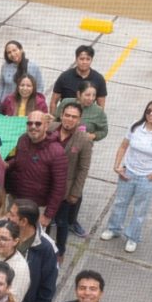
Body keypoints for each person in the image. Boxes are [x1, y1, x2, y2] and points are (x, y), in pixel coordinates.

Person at [101, 100, 152, 253]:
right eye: (148, 111)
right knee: (120, 202)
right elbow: (123, 146)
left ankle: (132, 237)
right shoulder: (135, 127)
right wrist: (117, 166)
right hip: (128, 172)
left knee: (140, 210)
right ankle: (114, 228)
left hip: (147, 178)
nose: (151, 114)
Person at [5, 111, 67, 228]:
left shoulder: (57, 151)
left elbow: (59, 187)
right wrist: (7, 165)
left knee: (31, 242)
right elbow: (19, 160)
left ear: (46, 126)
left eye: (38, 124)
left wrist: (48, 215)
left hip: (37, 207)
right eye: (30, 123)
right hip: (15, 200)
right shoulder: (22, 139)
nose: (33, 127)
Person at [51, 102, 94, 254]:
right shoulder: (50, 129)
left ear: (79, 119)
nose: (69, 119)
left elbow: (83, 169)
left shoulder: (84, 140)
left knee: (62, 222)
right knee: (45, 220)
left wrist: (75, 192)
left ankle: (60, 250)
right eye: (67, 115)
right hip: (45, 185)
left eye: (74, 117)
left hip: (65, 190)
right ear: (61, 115)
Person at [50, 45, 107, 111]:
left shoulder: (99, 79)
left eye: (88, 59)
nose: (84, 62)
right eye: (82, 59)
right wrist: (54, 119)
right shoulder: (64, 77)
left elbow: (101, 106)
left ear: (91, 60)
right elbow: (53, 102)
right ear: (76, 59)